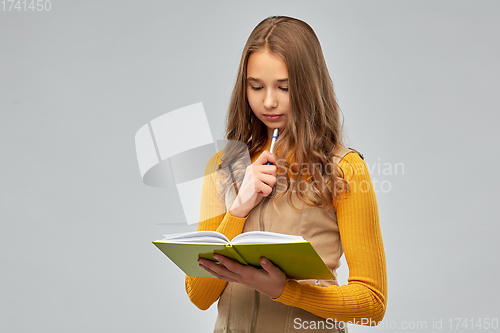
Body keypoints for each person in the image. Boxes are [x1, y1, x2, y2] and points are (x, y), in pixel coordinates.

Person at [185, 16, 387, 333]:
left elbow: (372, 305)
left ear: (309, 86)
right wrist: (238, 208)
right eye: (256, 87)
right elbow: (199, 295)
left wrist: (284, 291)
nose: (268, 101)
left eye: (285, 87)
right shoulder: (223, 166)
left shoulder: (343, 168)